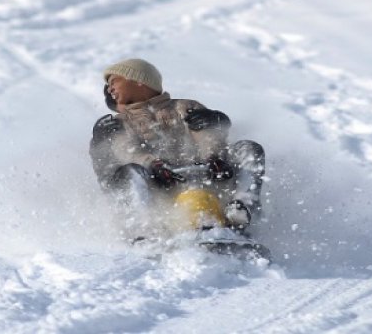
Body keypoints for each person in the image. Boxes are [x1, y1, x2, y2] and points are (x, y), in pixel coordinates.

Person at [89, 58, 265, 238]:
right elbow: (125, 149)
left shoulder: (184, 106)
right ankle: (144, 230)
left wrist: (213, 156)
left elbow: (204, 133)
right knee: (130, 172)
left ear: (139, 81)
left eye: (114, 82)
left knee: (249, 148)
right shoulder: (119, 123)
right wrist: (152, 164)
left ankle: (241, 207)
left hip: (205, 176)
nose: (110, 89)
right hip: (156, 186)